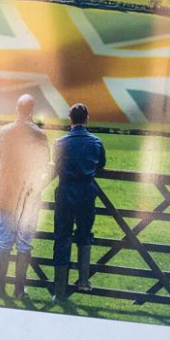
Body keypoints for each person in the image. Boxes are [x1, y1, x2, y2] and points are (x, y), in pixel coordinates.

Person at [0, 94, 51, 300]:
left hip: (8, 191)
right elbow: (45, 162)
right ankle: (19, 289)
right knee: (24, 242)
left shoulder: (5, 131)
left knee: (4, 240)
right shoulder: (40, 136)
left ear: (17, 109)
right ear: (32, 110)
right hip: (29, 195)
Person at [50, 103, 106, 303]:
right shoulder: (96, 142)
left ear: (70, 119)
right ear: (87, 119)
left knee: (62, 237)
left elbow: (55, 164)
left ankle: (59, 291)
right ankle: (83, 281)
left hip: (65, 193)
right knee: (84, 236)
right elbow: (101, 165)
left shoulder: (59, 142)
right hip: (86, 194)